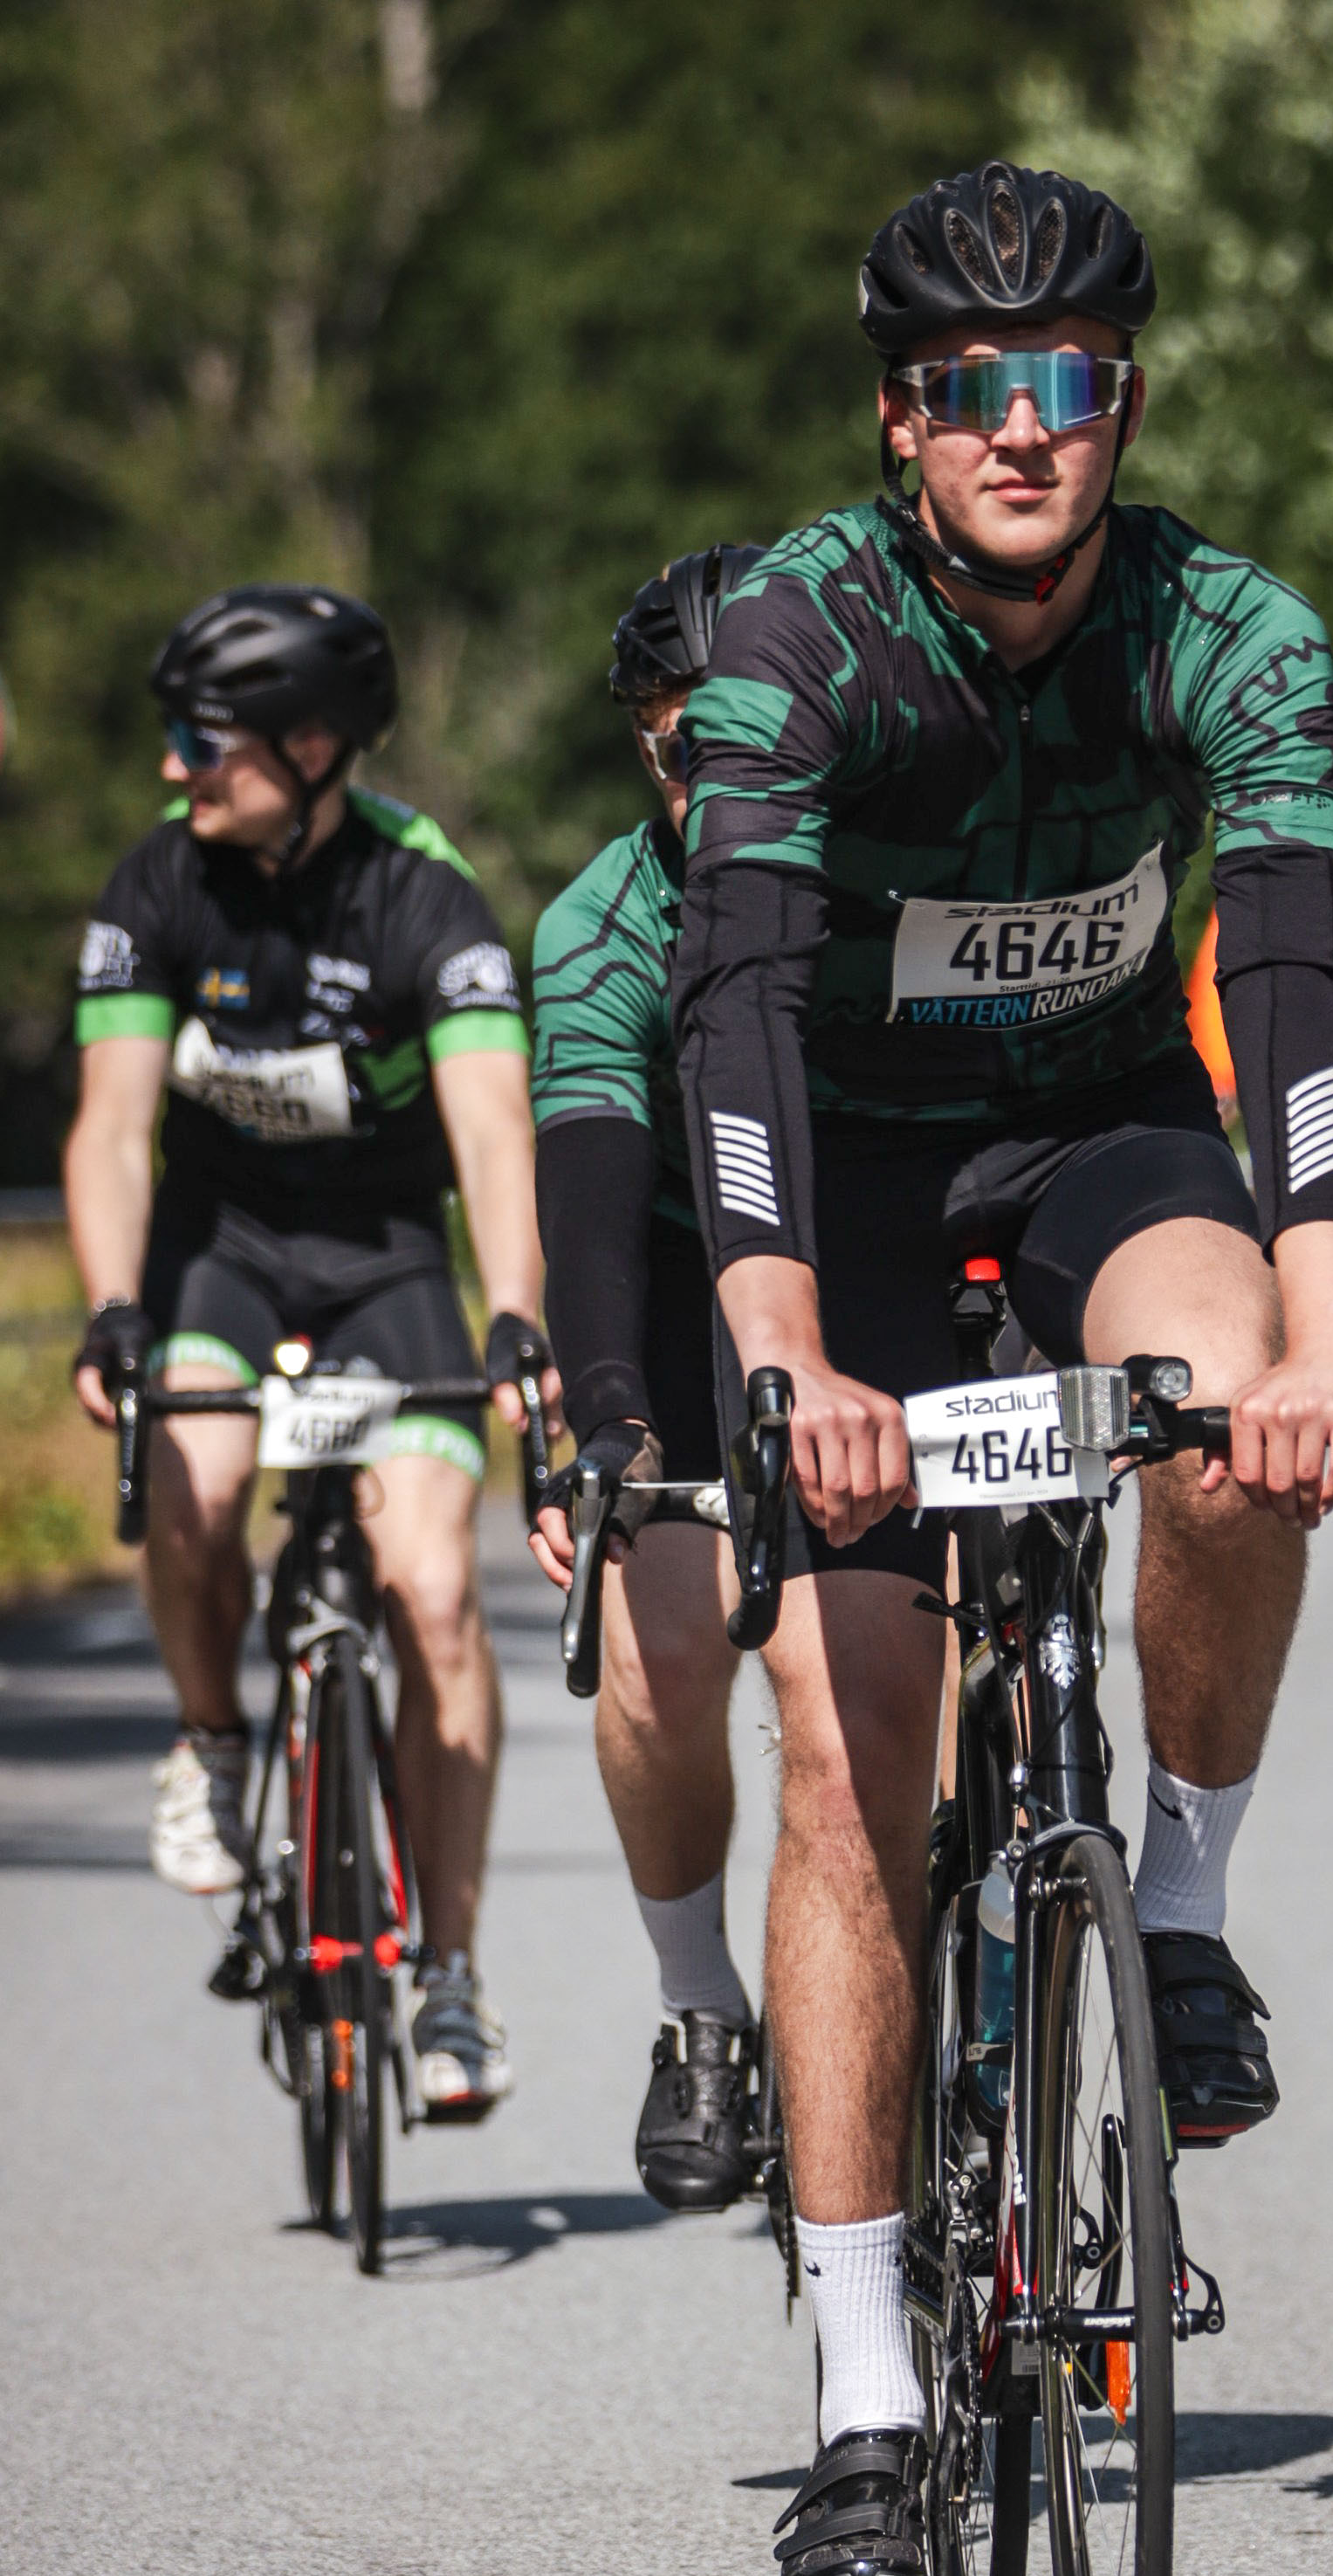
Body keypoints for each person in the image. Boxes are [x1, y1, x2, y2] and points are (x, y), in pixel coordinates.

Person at [670, 162, 1333, 2576]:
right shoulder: (795, 633)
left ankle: (1175, 1910)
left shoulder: (1227, 627)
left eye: (1065, 383)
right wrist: (773, 1353)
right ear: (902, 422)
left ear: (1122, 403)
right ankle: (868, 2396)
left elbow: (1285, 972)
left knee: (1240, 1401)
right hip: (841, 1194)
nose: (1021, 431)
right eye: (972, 392)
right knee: (854, 1760)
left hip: (1094, 1137)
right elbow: (732, 997)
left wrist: (1331, 1325)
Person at [64, 584, 552, 2115]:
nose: (174, 772)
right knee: (193, 1488)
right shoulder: (156, 888)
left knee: (433, 1597)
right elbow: (112, 1134)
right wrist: (112, 1308)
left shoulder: (427, 899)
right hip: (219, 1256)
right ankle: (214, 1743)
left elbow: (490, 1136)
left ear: (317, 742)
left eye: (202, 743)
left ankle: (453, 1978)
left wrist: (518, 1314)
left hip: (383, 1263)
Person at [526, 545, 768, 2210]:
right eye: (685, 750)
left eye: (752, 744)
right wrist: (597, 1416)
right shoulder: (605, 925)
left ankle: (1010, 1948)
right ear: (647, 755)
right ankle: (701, 2011)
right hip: (682, 1276)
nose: (717, 784)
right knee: (662, 1642)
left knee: (986, 1605)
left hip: (893, 1253)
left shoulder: (906, 870)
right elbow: (594, 1200)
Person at [1186, 870, 1333, 1277]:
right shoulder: (1244, 904)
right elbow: (1216, 987)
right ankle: (1273, 1239)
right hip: (1287, 1038)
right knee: (1276, 1127)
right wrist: (1219, 1077)